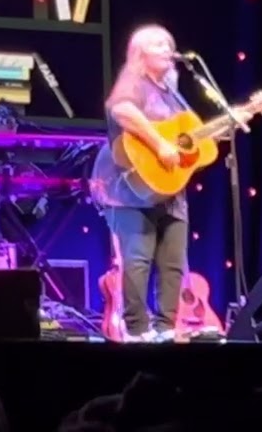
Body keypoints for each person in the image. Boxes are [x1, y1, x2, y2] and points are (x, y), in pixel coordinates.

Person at [91, 24, 194, 343]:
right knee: (138, 259)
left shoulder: (172, 91)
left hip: (169, 190)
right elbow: (121, 110)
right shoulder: (133, 81)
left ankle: (166, 328)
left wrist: (234, 119)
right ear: (140, 53)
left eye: (168, 43)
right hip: (131, 190)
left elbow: (185, 137)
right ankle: (137, 330)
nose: (167, 49)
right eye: (157, 44)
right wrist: (159, 144)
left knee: (173, 262)